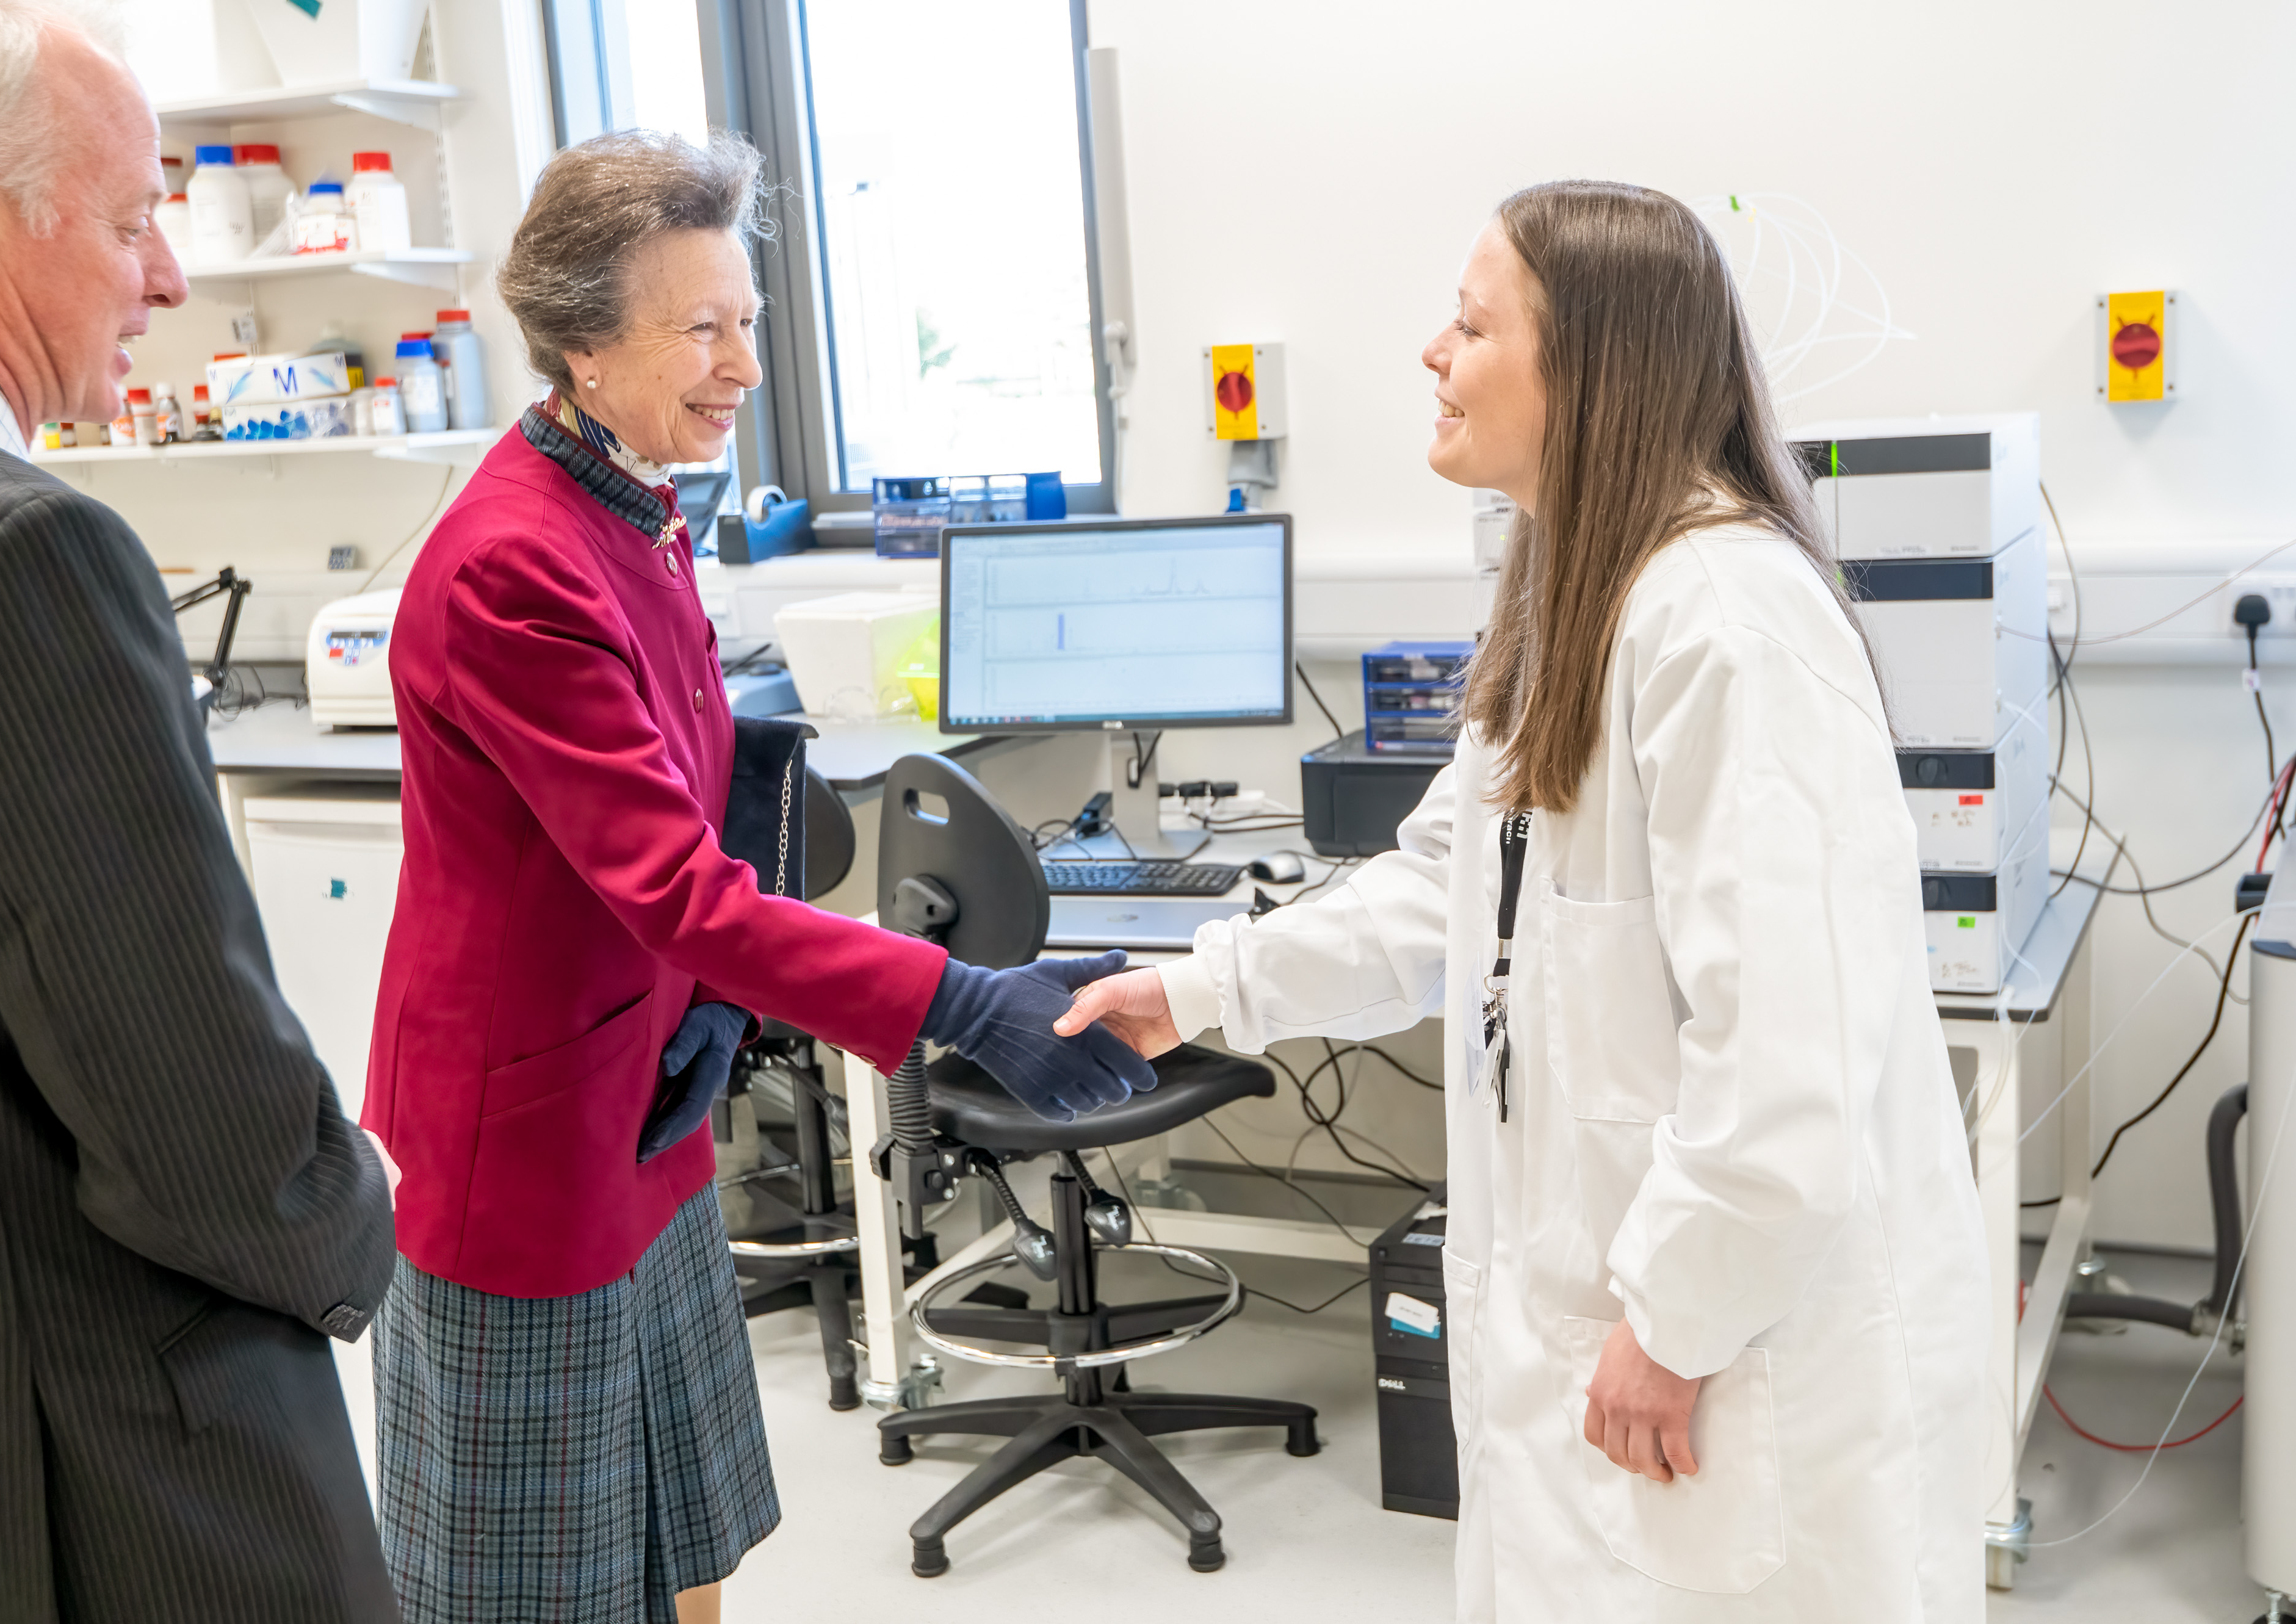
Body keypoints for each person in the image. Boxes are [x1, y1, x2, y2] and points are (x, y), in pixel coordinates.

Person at [1060, 181, 1989, 1622]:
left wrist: (1675, 1319)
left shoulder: (1725, 626)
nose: (1432, 353)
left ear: (1593, 364)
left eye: (1470, 322)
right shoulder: (1578, 595)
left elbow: (1783, 1056)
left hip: (1722, 1353)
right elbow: (1443, 893)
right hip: (1587, 1324)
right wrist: (1198, 986)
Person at [363, 128, 1148, 1624]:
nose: (741, 364)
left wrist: (719, 1002)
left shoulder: (634, 506)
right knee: (535, 1584)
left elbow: (680, 799)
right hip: (522, 1146)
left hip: (639, 1096)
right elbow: (667, 884)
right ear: (585, 343)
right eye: (701, 329)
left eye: (750, 320)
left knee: (682, 1533)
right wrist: (955, 998)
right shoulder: (512, 565)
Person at [0, 2, 403, 1619]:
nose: (165, 276)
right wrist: (354, 1202)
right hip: (106, 1473)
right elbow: (198, 1126)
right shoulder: (14, 551)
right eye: (128, 217)